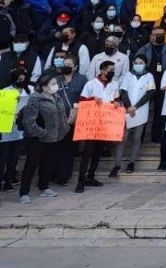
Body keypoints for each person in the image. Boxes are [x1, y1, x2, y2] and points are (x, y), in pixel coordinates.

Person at [18, 72, 73, 204]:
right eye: (52, 84)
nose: (55, 86)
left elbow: (61, 115)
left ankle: (44, 187)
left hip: (53, 138)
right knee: (31, 164)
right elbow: (29, 121)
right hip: (36, 138)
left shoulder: (57, 97)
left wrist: (64, 129)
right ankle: (24, 193)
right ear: (44, 87)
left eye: (55, 83)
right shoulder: (35, 99)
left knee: (48, 164)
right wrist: (42, 133)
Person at [75, 60, 122, 192]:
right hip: (91, 124)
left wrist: (117, 102)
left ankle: (91, 176)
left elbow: (116, 99)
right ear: (102, 71)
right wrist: (92, 100)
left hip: (104, 125)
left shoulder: (114, 84)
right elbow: (82, 101)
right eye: (110, 69)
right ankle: (80, 181)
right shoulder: (91, 84)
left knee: (97, 153)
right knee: (87, 153)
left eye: (114, 69)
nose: (112, 72)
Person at [111, 54, 155, 175]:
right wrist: (129, 106)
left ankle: (132, 162)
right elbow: (123, 91)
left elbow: (150, 93)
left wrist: (136, 107)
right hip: (127, 109)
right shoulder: (128, 75)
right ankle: (117, 164)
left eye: (141, 63)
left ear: (145, 64)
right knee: (123, 138)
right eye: (136, 63)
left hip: (140, 110)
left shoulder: (149, 76)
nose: (138, 65)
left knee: (136, 137)